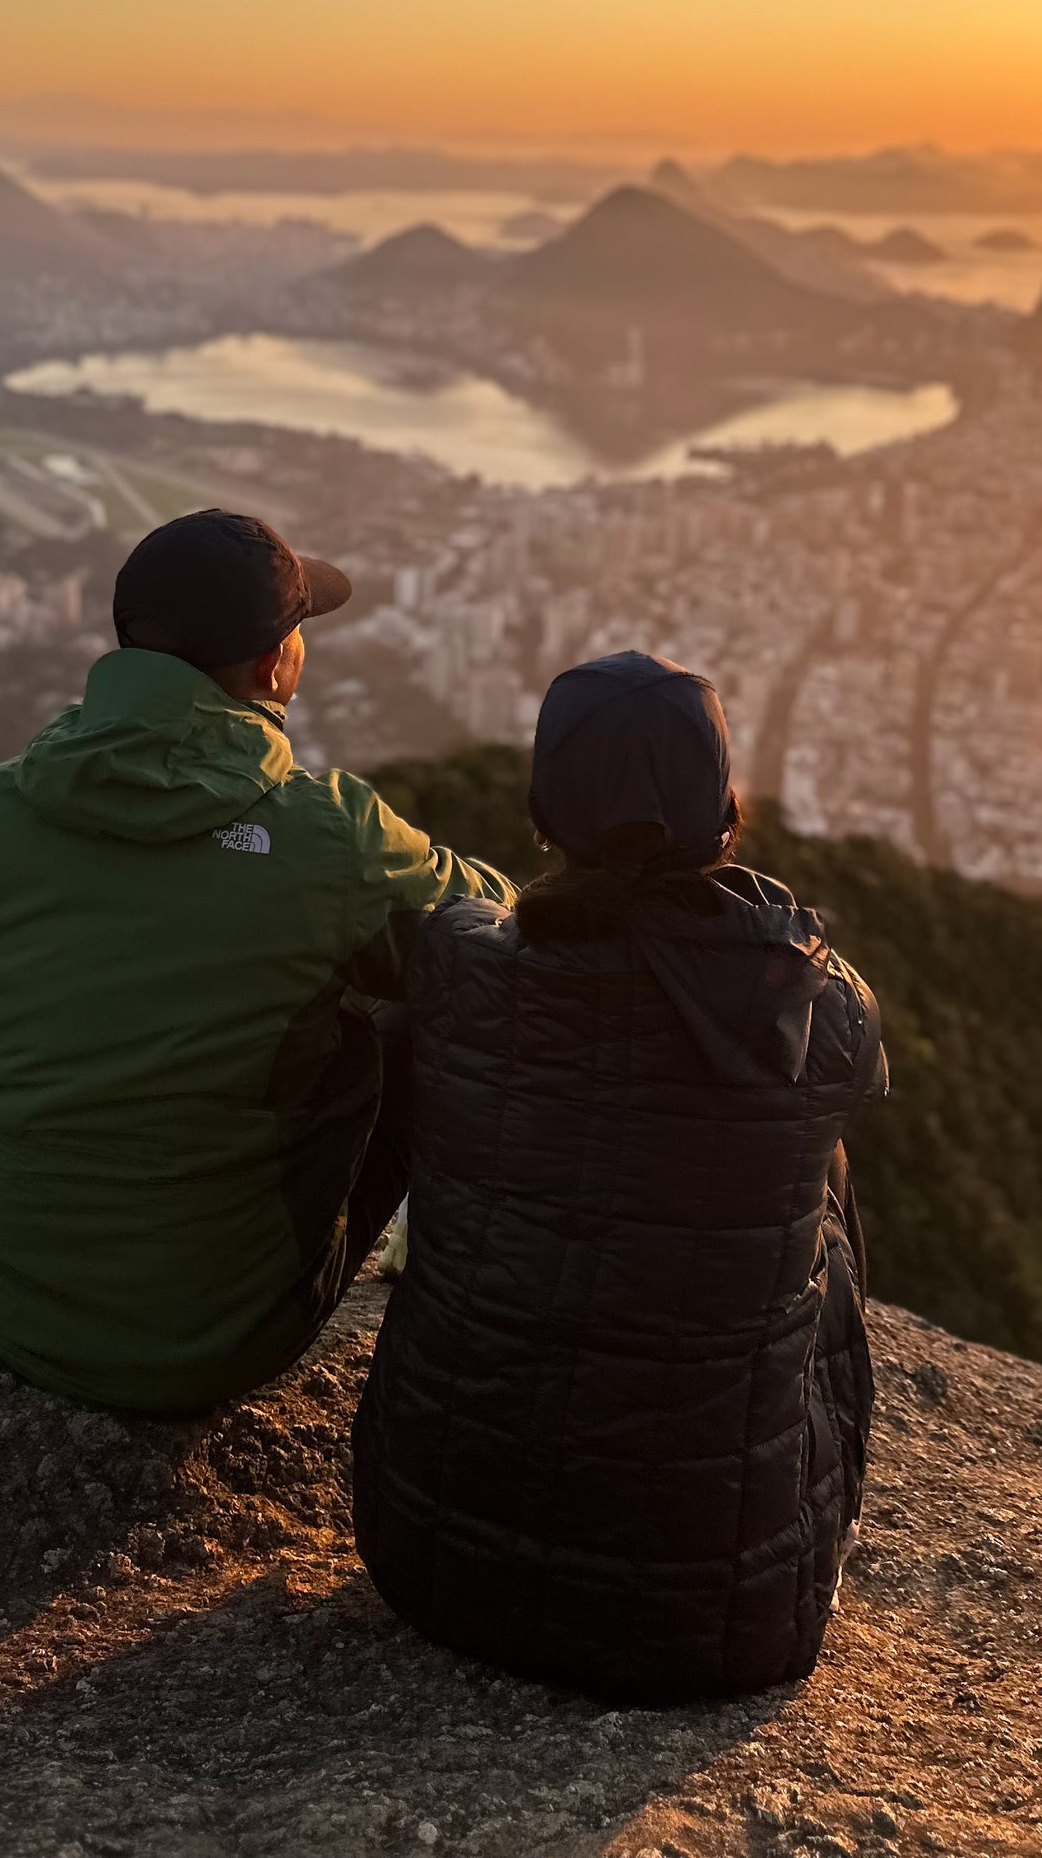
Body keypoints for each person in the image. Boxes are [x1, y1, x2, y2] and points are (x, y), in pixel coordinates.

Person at [0, 508, 512, 1414]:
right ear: (276, 662)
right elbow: (495, 927)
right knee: (418, 1006)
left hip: (7, 1317)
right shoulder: (329, 836)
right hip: (232, 1337)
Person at [352, 649, 884, 1704]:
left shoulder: (457, 961)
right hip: (718, 1616)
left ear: (544, 814)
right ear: (721, 814)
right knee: (809, 1170)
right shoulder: (816, 1008)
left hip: (428, 1556)